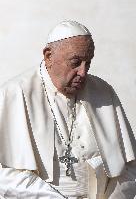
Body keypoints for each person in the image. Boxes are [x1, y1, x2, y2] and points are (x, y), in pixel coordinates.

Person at [0, 20, 136, 199]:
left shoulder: (103, 91)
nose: (83, 72)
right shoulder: (15, 93)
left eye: (88, 63)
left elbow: (129, 167)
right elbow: (6, 175)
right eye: (76, 62)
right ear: (48, 56)